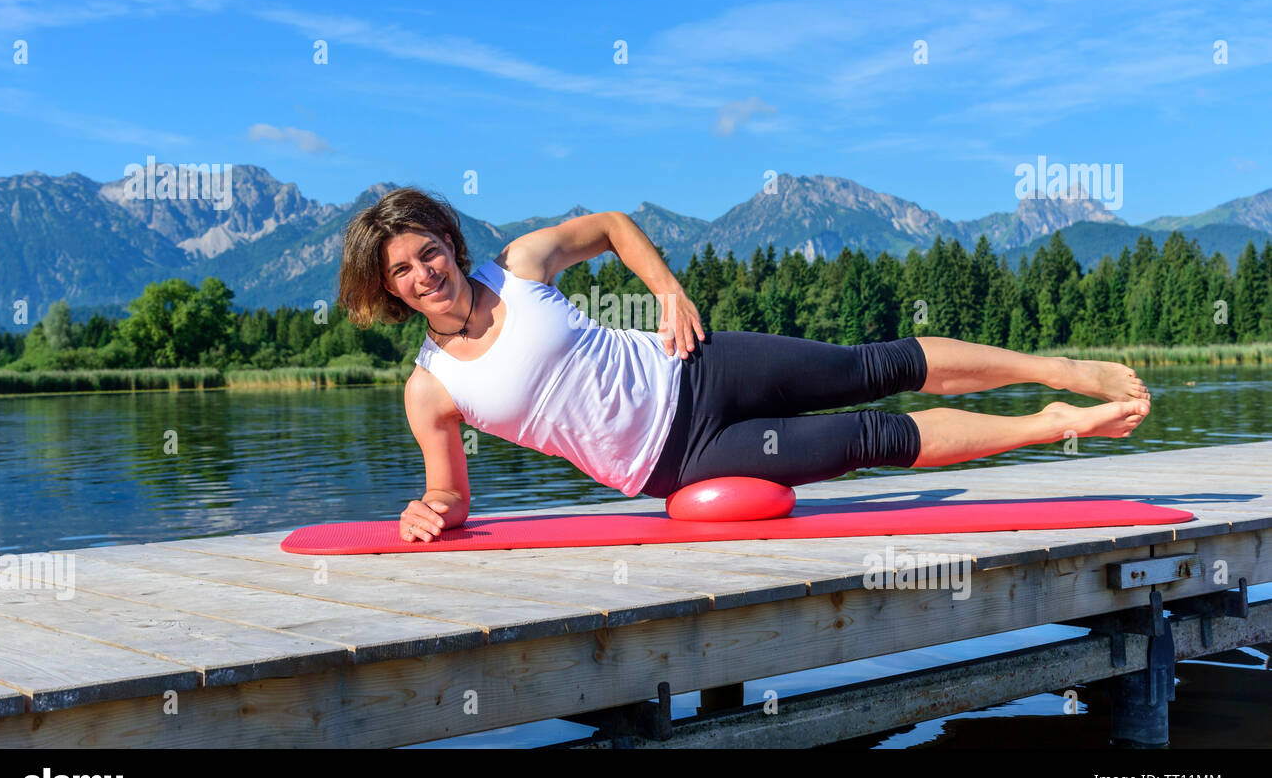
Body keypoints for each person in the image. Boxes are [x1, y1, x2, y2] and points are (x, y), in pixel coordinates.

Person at [337, 188, 1152, 543]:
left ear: (449, 241)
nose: (424, 274)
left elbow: (617, 225)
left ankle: (1059, 369)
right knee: (872, 436)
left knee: (875, 365)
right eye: (402, 271)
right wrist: (429, 512)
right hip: (679, 461)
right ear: (388, 291)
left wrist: (665, 291)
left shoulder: (519, 264)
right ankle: (1053, 426)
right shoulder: (430, 386)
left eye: (429, 252)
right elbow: (450, 493)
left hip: (699, 367)